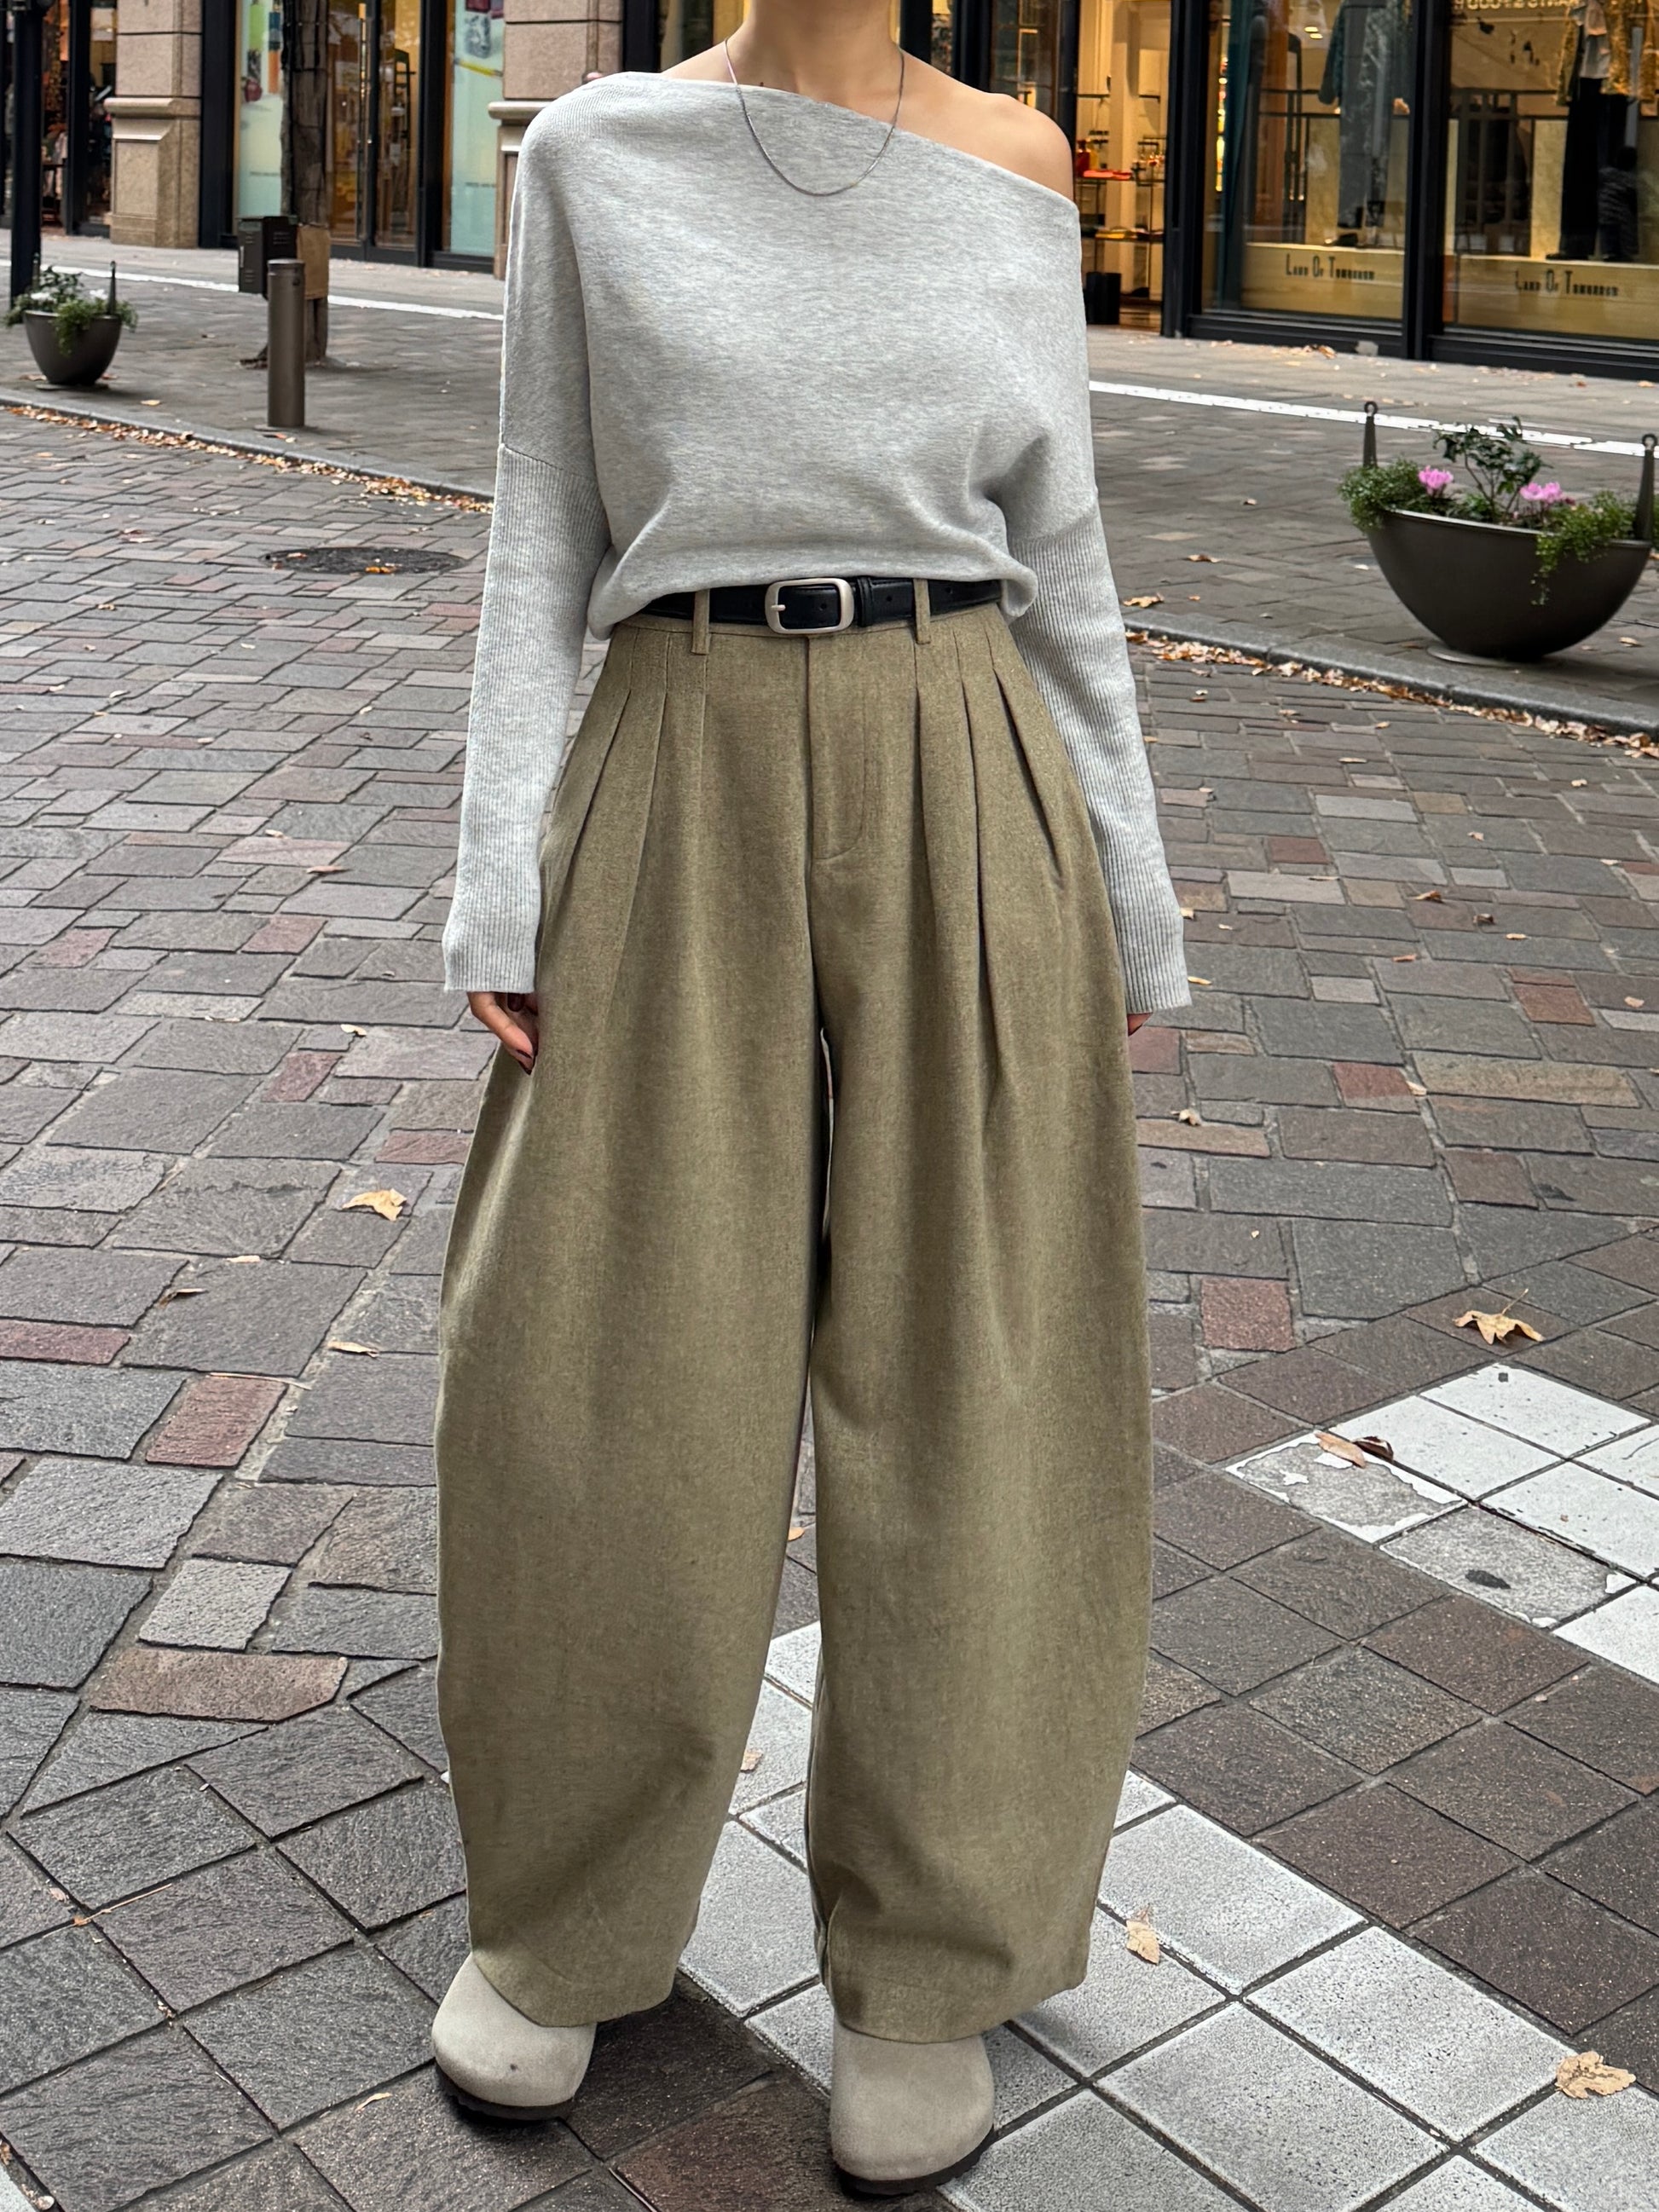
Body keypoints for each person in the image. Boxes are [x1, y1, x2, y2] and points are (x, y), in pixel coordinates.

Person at [429, 2, 1188, 2194]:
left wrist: (1131, 897)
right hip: (673, 752)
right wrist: (498, 882)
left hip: (972, 758)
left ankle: (931, 1963)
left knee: (982, 1387)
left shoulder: (1021, 166)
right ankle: (565, 1918)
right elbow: (537, 538)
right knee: (598, 1368)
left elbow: (1065, 552)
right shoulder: (593, 154)